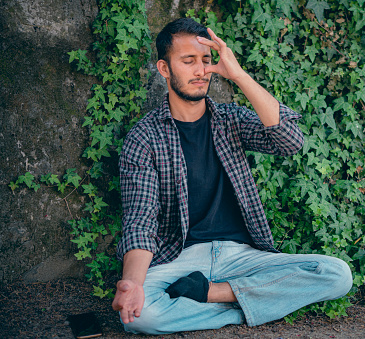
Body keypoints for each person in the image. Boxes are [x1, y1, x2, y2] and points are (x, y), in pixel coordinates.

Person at [111, 18, 352, 335]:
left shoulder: (230, 120)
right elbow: (140, 220)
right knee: (142, 317)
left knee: (336, 274)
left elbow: (290, 141)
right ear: (164, 69)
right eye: (189, 61)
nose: (201, 71)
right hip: (180, 258)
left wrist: (238, 74)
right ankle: (253, 305)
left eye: (206, 61)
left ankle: (214, 294)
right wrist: (132, 283)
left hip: (241, 257)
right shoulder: (144, 139)